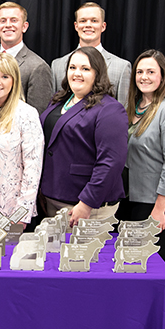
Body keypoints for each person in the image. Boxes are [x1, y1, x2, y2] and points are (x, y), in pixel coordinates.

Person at [39, 47, 127, 227]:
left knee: (81, 255)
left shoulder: (110, 109)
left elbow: (111, 162)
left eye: (85, 69)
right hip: (53, 197)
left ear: (98, 73)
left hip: (86, 206)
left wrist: (87, 202)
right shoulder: (58, 101)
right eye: (72, 68)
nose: (77, 73)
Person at [124, 50, 165, 263]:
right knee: (130, 264)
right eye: (140, 71)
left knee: (148, 265)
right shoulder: (132, 108)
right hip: (131, 198)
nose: (144, 77)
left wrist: (159, 209)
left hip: (155, 202)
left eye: (151, 72)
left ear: (162, 77)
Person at [0, 53, 44, 225]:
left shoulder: (26, 114)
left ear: (14, 81)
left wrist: (21, 213)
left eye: (5, 76)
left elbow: (33, 169)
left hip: (9, 211)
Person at [51, 2, 132, 106]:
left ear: (103, 26)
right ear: (76, 26)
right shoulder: (57, 65)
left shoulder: (122, 67)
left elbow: (124, 111)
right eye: (83, 21)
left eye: (94, 21)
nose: (88, 25)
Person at [0, 2, 54, 114]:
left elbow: (37, 116)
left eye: (14, 20)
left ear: (24, 26)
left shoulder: (38, 67)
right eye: (3, 21)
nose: (8, 25)